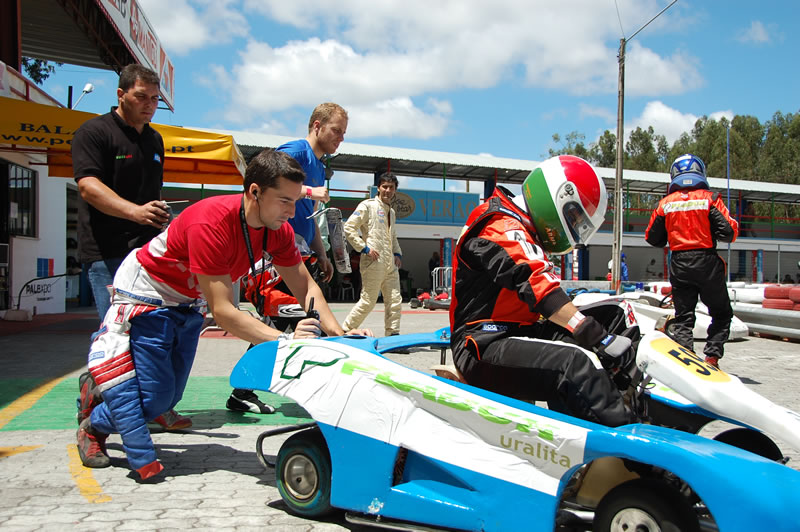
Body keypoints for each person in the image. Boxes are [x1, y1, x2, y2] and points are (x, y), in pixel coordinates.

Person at [75, 150, 370, 478]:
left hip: (188, 301)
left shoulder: (278, 227)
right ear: (255, 191)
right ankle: (93, 428)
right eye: (284, 201)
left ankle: (101, 391)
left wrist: (339, 335)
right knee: (156, 401)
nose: (292, 211)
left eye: (296, 200)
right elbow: (225, 312)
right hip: (149, 296)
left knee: (170, 395)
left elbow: (307, 288)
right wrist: (287, 342)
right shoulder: (211, 221)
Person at [449, 155, 635, 427]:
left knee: (618, 314)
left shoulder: (520, 225)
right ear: (557, 197)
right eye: (574, 216)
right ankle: (635, 454)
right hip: (481, 342)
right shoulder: (499, 222)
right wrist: (591, 334)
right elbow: (535, 282)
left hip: (521, 331)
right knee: (575, 362)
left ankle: (618, 405)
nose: (574, 227)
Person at [72, 64, 189, 431]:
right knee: (116, 338)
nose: (149, 105)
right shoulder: (94, 133)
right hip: (106, 253)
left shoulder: (154, 140)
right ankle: (93, 415)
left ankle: (154, 405)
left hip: (147, 257)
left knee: (156, 335)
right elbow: (89, 187)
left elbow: (150, 195)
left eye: (155, 99)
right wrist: (136, 213)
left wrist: (157, 216)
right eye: (142, 97)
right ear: (120, 94)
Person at [225, 103, 348, 413]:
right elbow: (268, 176)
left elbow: (308, 216)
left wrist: (322, 253)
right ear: (317, 126)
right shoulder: (297, 149)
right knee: (289, 318)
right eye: (336, 130)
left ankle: (248, 389)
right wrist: (310, 192)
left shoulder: (319, 165)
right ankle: (245, 389)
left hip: (300, 249)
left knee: (296, 319)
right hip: (275, 249)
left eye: (344, 133)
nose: (341, 138)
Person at [645, 154, 739, 369]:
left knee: (684, 316)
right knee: (722, 313)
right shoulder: (710, 198)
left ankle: (685, 359)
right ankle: (712, 358)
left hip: (679, 262)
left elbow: (652, 238)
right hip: (706, 261)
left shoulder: (664, 204)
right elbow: (729, 232)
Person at [341, 172, 403, 336]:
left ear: (395, 189)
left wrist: (398, 254)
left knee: (395, 300)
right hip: (373, 261)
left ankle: (393, 334)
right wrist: (364, 248)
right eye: (384, 186)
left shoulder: (392, 212)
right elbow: (348, 228)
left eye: (391, 187)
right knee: (368, 300)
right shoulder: (367, 206)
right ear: (378, 188)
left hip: (390, 263)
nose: (387, 190)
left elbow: (393, 235)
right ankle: (345, 329)